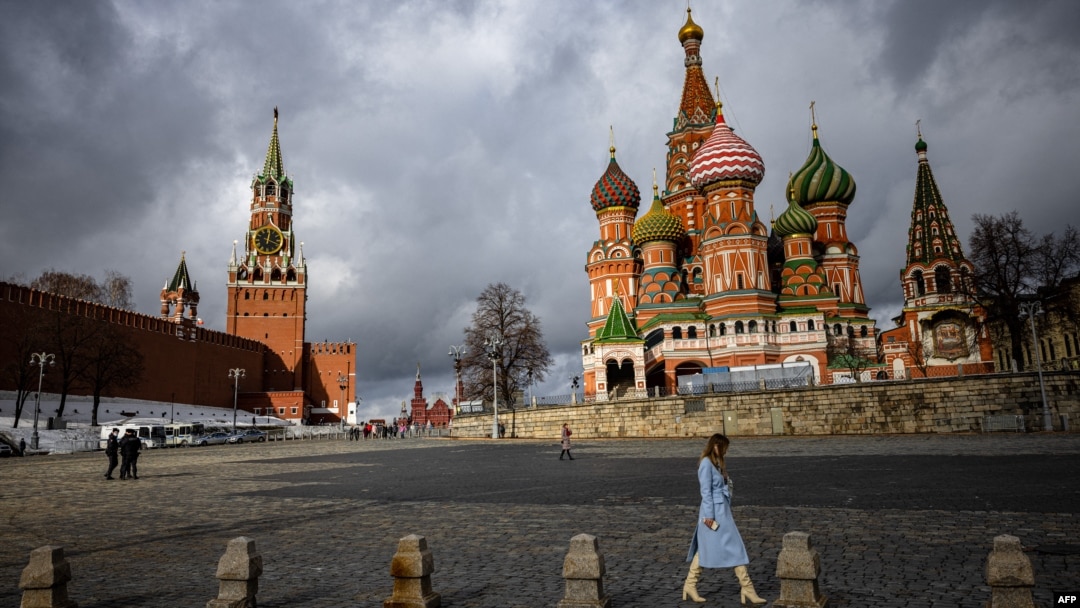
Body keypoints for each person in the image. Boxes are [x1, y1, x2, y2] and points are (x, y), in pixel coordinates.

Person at [683, 433, 765, 605]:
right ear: (715, 446)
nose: (725, 452)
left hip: (722, 512)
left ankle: (690, 585)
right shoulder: (706, 464)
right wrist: (709, 519)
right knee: (728, 547)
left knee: (708, 549)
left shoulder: (716, 464)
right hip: (713, 515)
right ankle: (747, 589)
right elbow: (706, 493)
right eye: (724, 448)